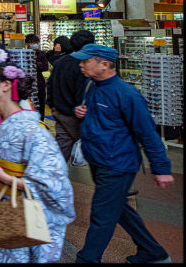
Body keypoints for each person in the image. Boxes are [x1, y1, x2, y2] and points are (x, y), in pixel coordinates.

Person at [0, 61, 75, 262]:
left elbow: (52, 182)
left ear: (6, 85)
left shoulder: (35, 132)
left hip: (23, 209)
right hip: (1, 207)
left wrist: (3, 177)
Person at [72, 44, 173, 264]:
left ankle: (87, 259)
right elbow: (96, 115)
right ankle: (153, 253)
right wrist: (79, 111)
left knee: (102, 215)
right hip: (98, 160)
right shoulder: (90, 85)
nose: (81, 65)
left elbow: (148, 133)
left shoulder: (128, 94)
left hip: (117, 164)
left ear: (104, 64)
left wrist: (161, 168)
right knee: (117, 209)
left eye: (86, 61)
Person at [47, 30, 94, 162]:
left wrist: (53, 107)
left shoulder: (60, 62)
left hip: (61, 114)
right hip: (81, 117)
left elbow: (50, 85)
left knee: (59, 158)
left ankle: (53, 180)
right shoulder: (87, 65)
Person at [25, 34, 49, 118]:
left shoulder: (42, 53)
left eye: (36, 42)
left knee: (41, 104)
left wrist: (35, 63)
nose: (35, 44)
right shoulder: (23, 54)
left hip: (40, 83)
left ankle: (41, 121)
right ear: (27, 44)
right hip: (27, 84)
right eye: (32, 42)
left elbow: (45, 67)